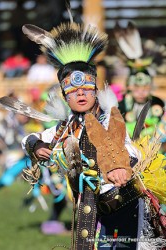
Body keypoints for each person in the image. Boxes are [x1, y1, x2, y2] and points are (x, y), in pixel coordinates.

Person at [21, 18, 166, 250]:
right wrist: (36, 145)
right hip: (90, 210)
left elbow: (128, 148)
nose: (81, 95)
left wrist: (120, 166)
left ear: (95, 90)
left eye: (86, 90)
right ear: (65, 96)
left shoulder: (110, 118)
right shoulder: (64, 126)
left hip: (124, 207)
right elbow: (27, 139)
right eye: (74, 91)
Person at [118, 68, 166, 140]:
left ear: (150, 88)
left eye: (145, 89)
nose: (141, 93)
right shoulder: (122, 105)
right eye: (136, 89)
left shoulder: (158, 103)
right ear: (129, 88)